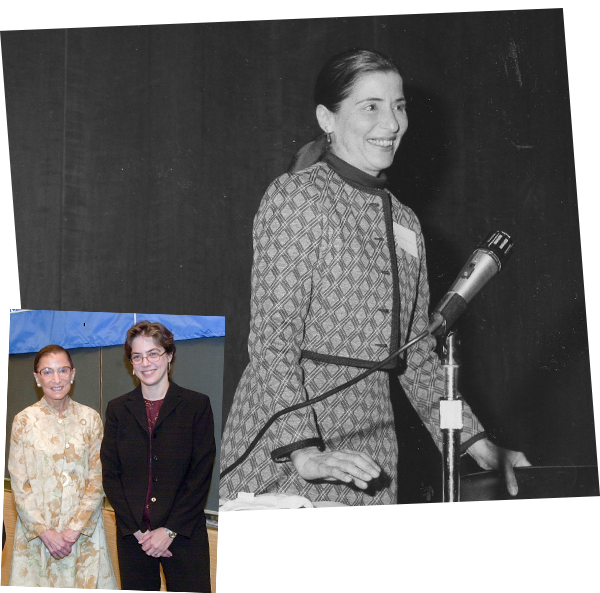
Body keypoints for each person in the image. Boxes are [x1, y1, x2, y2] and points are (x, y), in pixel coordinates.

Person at [219, 48, 530, 515]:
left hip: (372, 453)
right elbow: (272, 341)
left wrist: (478, 445)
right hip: (288, 447)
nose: (392, 123)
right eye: (371, 106)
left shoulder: (405, 221)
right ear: (327, 117)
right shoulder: (296, 196)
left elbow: (418, 358)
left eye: (398, 105)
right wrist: (303, 450)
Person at [101, 321, 215, 592]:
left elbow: (200, 475)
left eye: (154, 353)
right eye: (137, 356)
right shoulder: (117, 409)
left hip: (184, 534)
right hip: (134, 537)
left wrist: (169, 531)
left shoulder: (196, 406)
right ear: (131, 362)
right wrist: (139, 532)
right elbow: (111, 474)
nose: (146, 362)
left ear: (169, 355)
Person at [8, 344, 118, 591]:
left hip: (82, 536)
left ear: (73, 374)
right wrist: (46, 533)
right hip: (38, 538)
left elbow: (98, 477)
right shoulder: (24, 421)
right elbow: (19, 483)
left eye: (63, 370)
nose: (56, 379)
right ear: (37, 378)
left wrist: (73, 530)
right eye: (47, 372)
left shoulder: (90, 419)